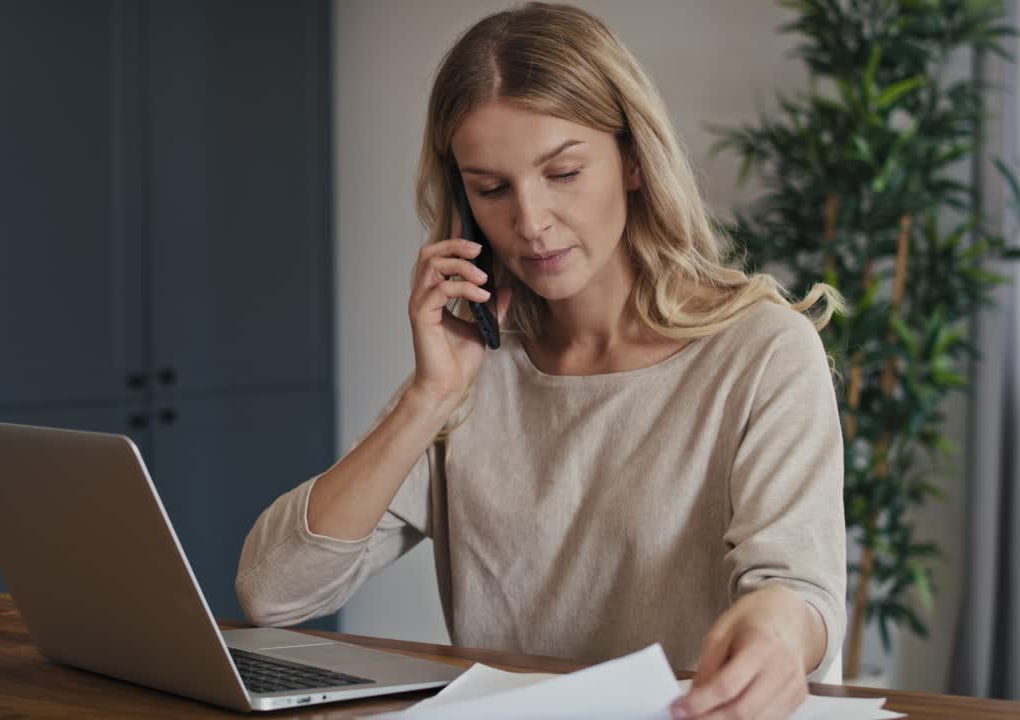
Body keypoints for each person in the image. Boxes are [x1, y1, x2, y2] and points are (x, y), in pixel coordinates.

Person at [236, 3, 846, 718]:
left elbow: (798, 592)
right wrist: (427, 398)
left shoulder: (760, 352)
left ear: (632, 161)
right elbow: (275, 593)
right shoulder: (470, 372)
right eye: (491, 189)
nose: (529, 222)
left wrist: (774, 633)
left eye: (562, 173)